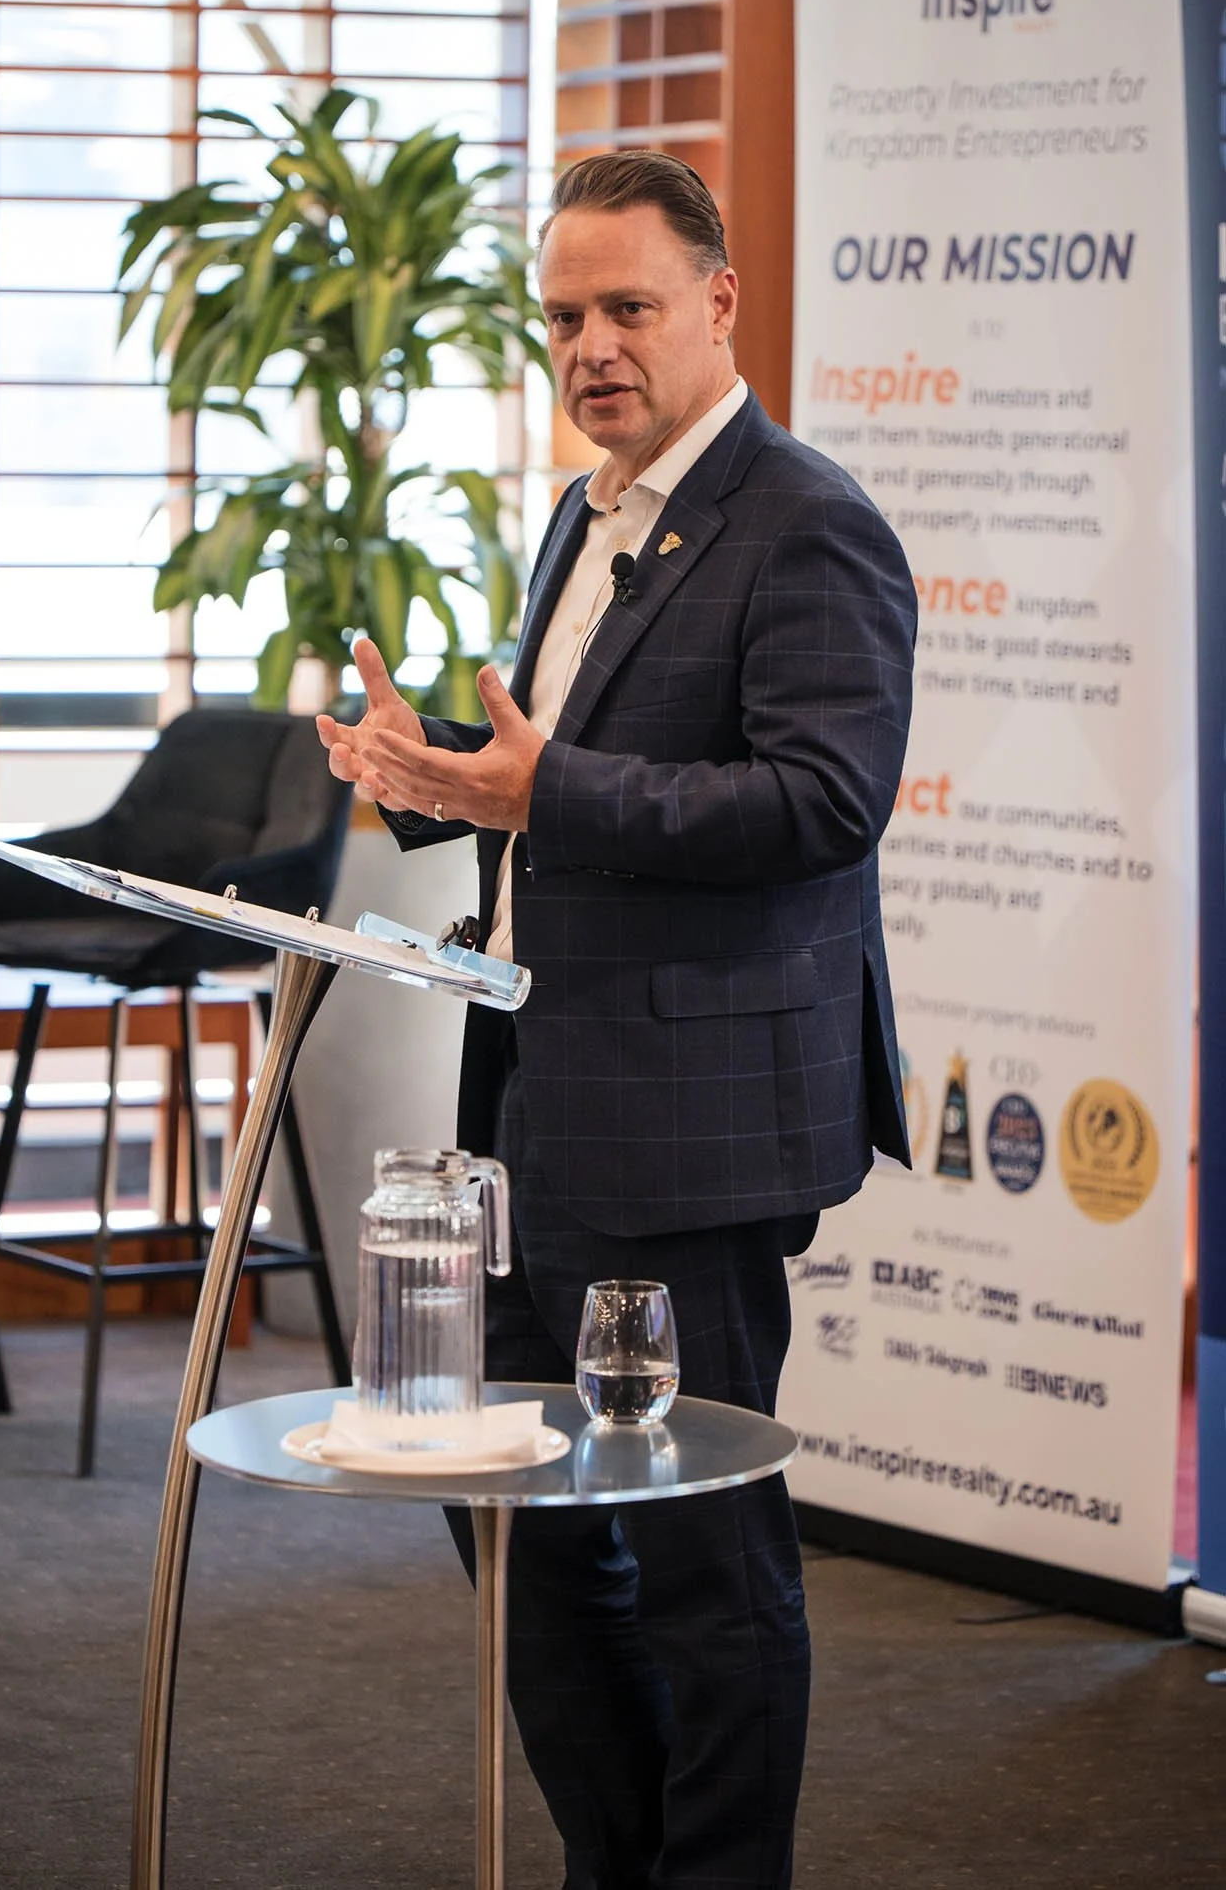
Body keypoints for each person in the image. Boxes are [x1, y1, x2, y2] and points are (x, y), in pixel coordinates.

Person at [317, 151, 916, 1890]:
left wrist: (542, 787)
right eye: (565, 315)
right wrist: (433, 780)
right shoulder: (587, 510)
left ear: (719, 304)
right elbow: (552, 785)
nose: (590, 345)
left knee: (703, 1555)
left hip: (691, 1122)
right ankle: (618, 1860)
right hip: (532, 1102)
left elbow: (820, 800)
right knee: (499, 1506)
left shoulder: (807, 521)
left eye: (627, 307)